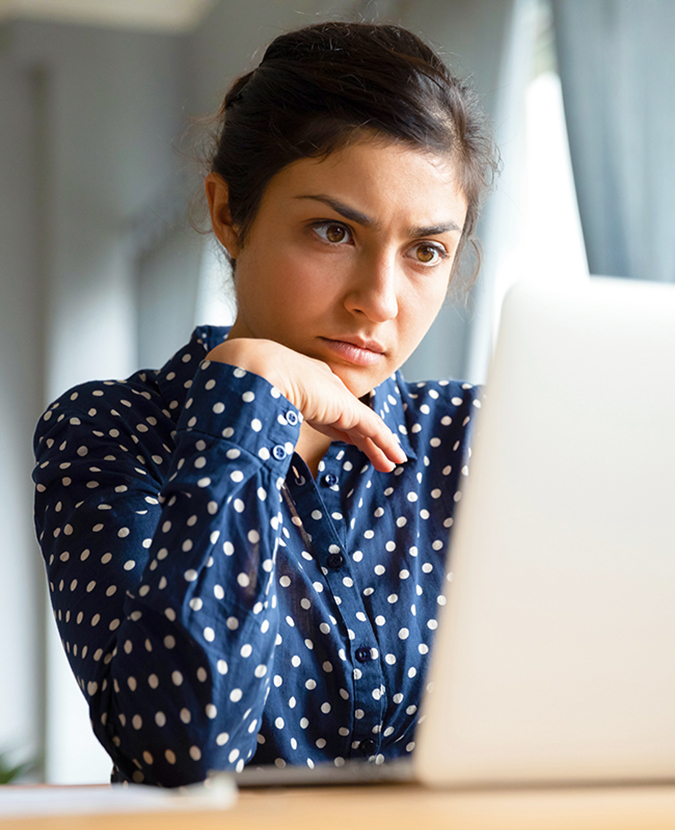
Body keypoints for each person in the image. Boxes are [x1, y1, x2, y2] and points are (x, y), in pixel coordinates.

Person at [33, 21, 498, 787]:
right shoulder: (109, 433)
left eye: (424, 250)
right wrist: (245, 394)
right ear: (228, 214)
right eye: (332, 230)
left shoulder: (480, 439)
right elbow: (183, 754)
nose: (377, 302)